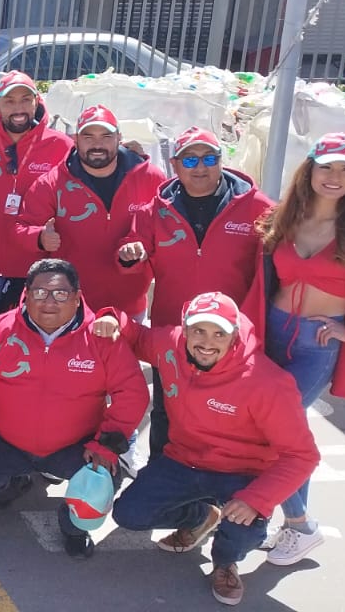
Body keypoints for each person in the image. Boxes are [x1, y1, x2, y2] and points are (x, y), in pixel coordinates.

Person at [241, 132, 345, 564]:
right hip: (272, 332)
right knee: (274, 428)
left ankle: (300, 526)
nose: (335, 177)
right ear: (309, 170)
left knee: (281, 433)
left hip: (318, 344)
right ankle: (291, 521)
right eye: (327, 167)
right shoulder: (282, 220)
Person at [95, 293, 319, 607]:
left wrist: (256, 499)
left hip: (242, 472)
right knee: (128, 514)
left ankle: (226, 562)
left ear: (235, 335)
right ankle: (202, 516)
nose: (207, 342)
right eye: (198, 330)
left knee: (244, 528)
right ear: (184, 330)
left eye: (219, 333)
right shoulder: (171, 344)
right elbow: (139, 335)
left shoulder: (268, 383)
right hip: (182, 460)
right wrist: (111, 318)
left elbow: (302, 455)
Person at [0, 258, 147, 558]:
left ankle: (73, 528)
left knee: (103, 481)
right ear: (26, 294)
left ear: (78, 297)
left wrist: (106, 445)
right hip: (7, 440)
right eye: (40, 293)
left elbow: (132, 394)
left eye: (60, 294)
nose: (49, 302)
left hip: (74, 446)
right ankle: (13, 483)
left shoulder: (101, 338)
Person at [117, 127, 272, 455]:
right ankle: (161, 475)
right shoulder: (153, 211)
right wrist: (131, 255)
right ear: (175, 164)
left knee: (225, 412)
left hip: (230, 336)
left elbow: (280, 262)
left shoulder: (257, 208)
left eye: (209, 158)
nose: (200, 167)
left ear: (221, 161)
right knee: (166, 411)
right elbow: (131, 251)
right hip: (173, 329)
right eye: (190, 159)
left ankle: (216, 485)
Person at [16, 105, 168, 318]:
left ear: (119, 138)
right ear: (76, 139)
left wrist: (142, 250)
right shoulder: (52, 183)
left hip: (129, 307)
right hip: (72, 306)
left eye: (106, 136)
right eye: (88, 137)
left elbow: (167, 228)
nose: (97, 144)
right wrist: (40, 238)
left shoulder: (150, 178)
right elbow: (22, 227)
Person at [0, 71, 74, 329]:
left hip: (33, 266)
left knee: (24, 343)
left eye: (25, 99)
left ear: (37, 101)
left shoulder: (61, 146)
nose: (19, 108)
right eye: (9, 101)